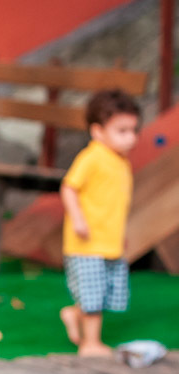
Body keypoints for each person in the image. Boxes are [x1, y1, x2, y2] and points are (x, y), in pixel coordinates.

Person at [59, 89, 140, 358]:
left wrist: (121, 235)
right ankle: (90, 343)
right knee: (93, 295)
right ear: (97, 131)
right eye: (122, 130)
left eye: (133, 130)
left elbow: (115, 206)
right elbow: (69, 187)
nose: (131, 137)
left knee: (106, 294)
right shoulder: (92, 157)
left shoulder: (122, 163)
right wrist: (78, 219)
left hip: (110, 241)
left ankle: (73, 313)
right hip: (87, 242)